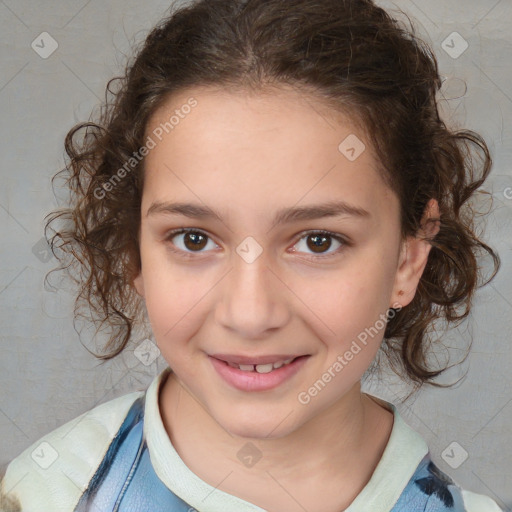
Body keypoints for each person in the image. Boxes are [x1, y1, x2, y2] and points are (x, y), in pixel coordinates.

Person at [0, 0, 504, 510]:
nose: (250, 313)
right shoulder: (44, 494)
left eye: (318, 241)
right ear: (134, 254)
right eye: (193, 239)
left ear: (407, 261)